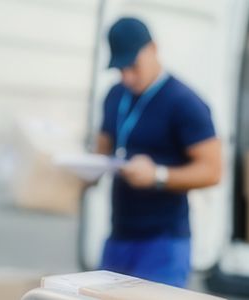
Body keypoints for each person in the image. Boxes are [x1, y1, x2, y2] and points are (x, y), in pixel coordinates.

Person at [94, 17, 223, 288]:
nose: (127, 76)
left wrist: (158, 175)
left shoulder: (185, 102)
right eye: (121, 69)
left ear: (153, 48)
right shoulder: (115, 96)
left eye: (133, 65)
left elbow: (212, 171)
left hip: (164, 242)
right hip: (118, 236)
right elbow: (101, 150)